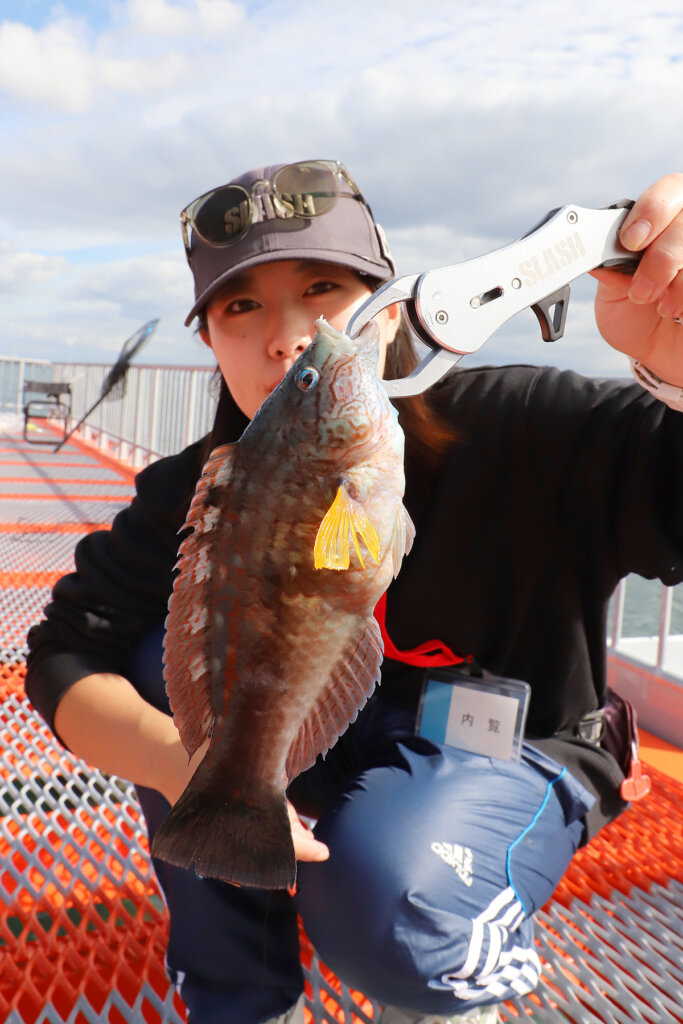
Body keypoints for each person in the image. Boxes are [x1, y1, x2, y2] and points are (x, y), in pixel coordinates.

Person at [25, 160, 683, 1024]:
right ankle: (239, 995)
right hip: (303, 746)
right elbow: (68, 650)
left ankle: (444, 978)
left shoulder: (532, 424)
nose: (289, 336)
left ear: (392, 305)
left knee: (390, 906)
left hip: (507, 745)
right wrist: (195, 773)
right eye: (240, 305)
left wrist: (673, 375)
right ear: (210, 340)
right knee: (153, 663)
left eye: (324, 288)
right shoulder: (193, 489)